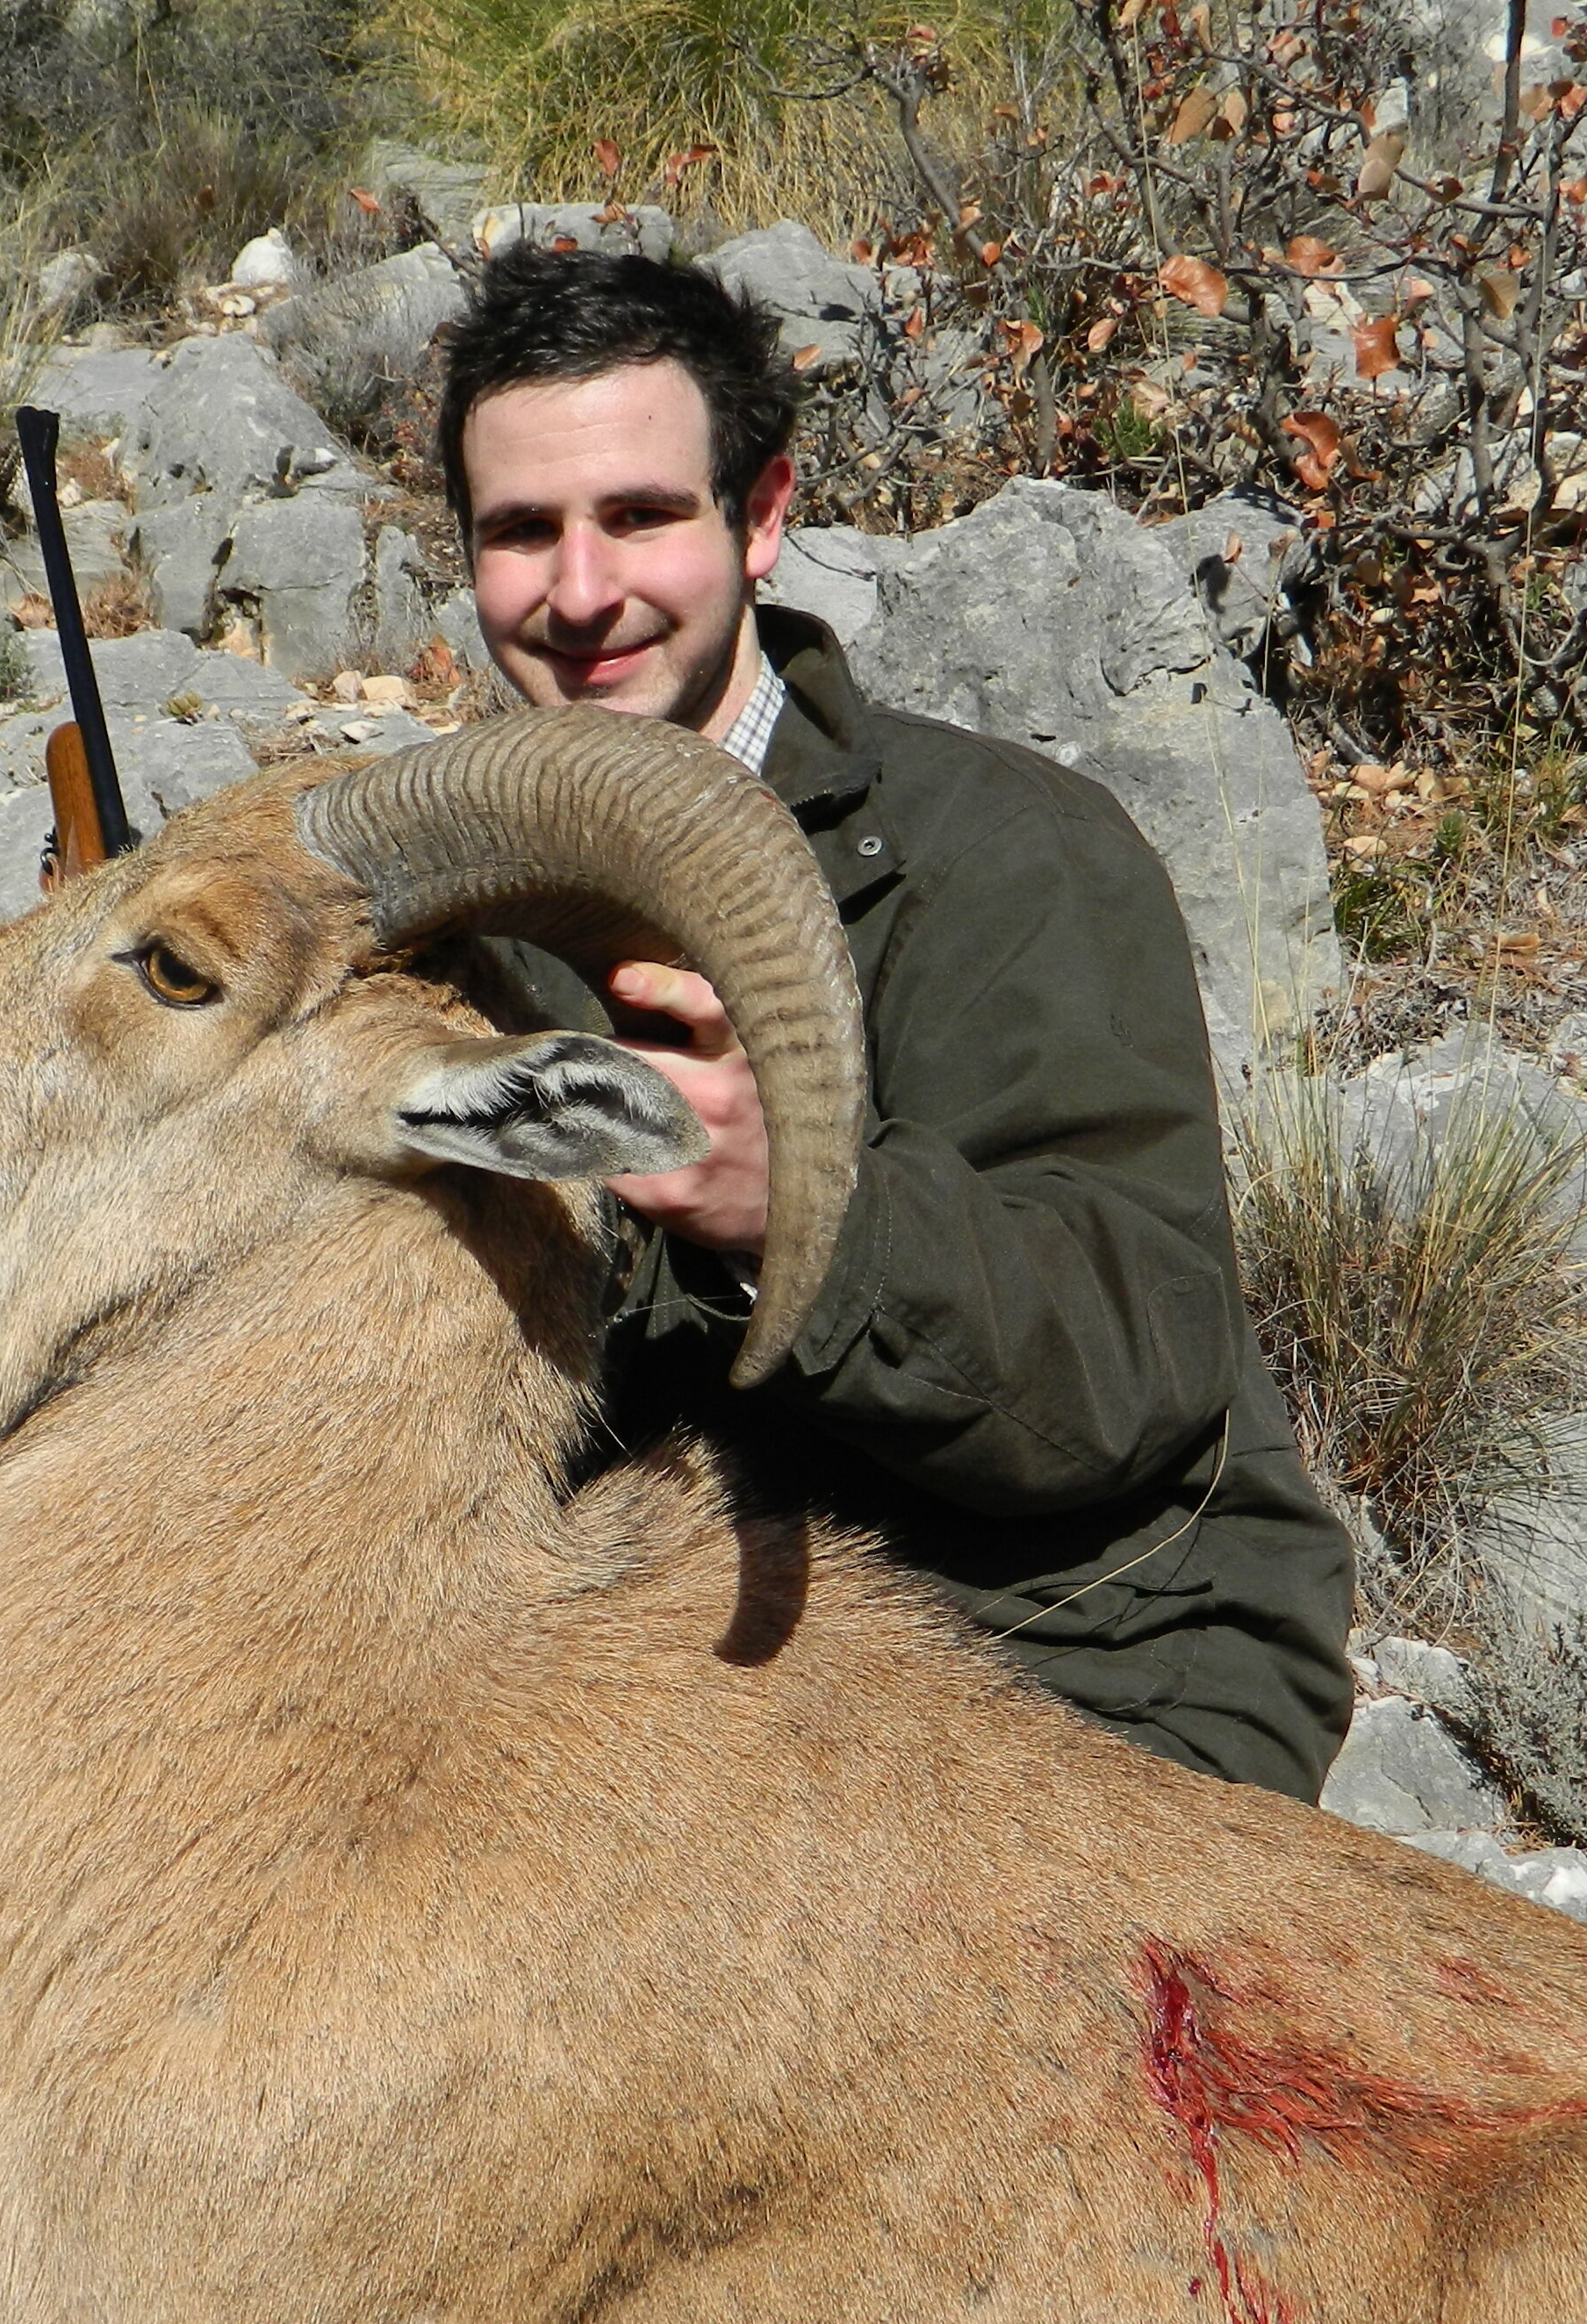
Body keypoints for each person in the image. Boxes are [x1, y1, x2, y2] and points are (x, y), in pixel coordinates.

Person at [435, 243, 1354, 1800]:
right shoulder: (459, 916)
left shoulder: (1009, 851)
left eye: (643, 516)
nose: (581, 595)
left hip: (1067, 1649)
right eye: (524, 533)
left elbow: (1128, 1365)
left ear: (765, 517)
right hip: (643, 1659)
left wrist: (803, 1209)